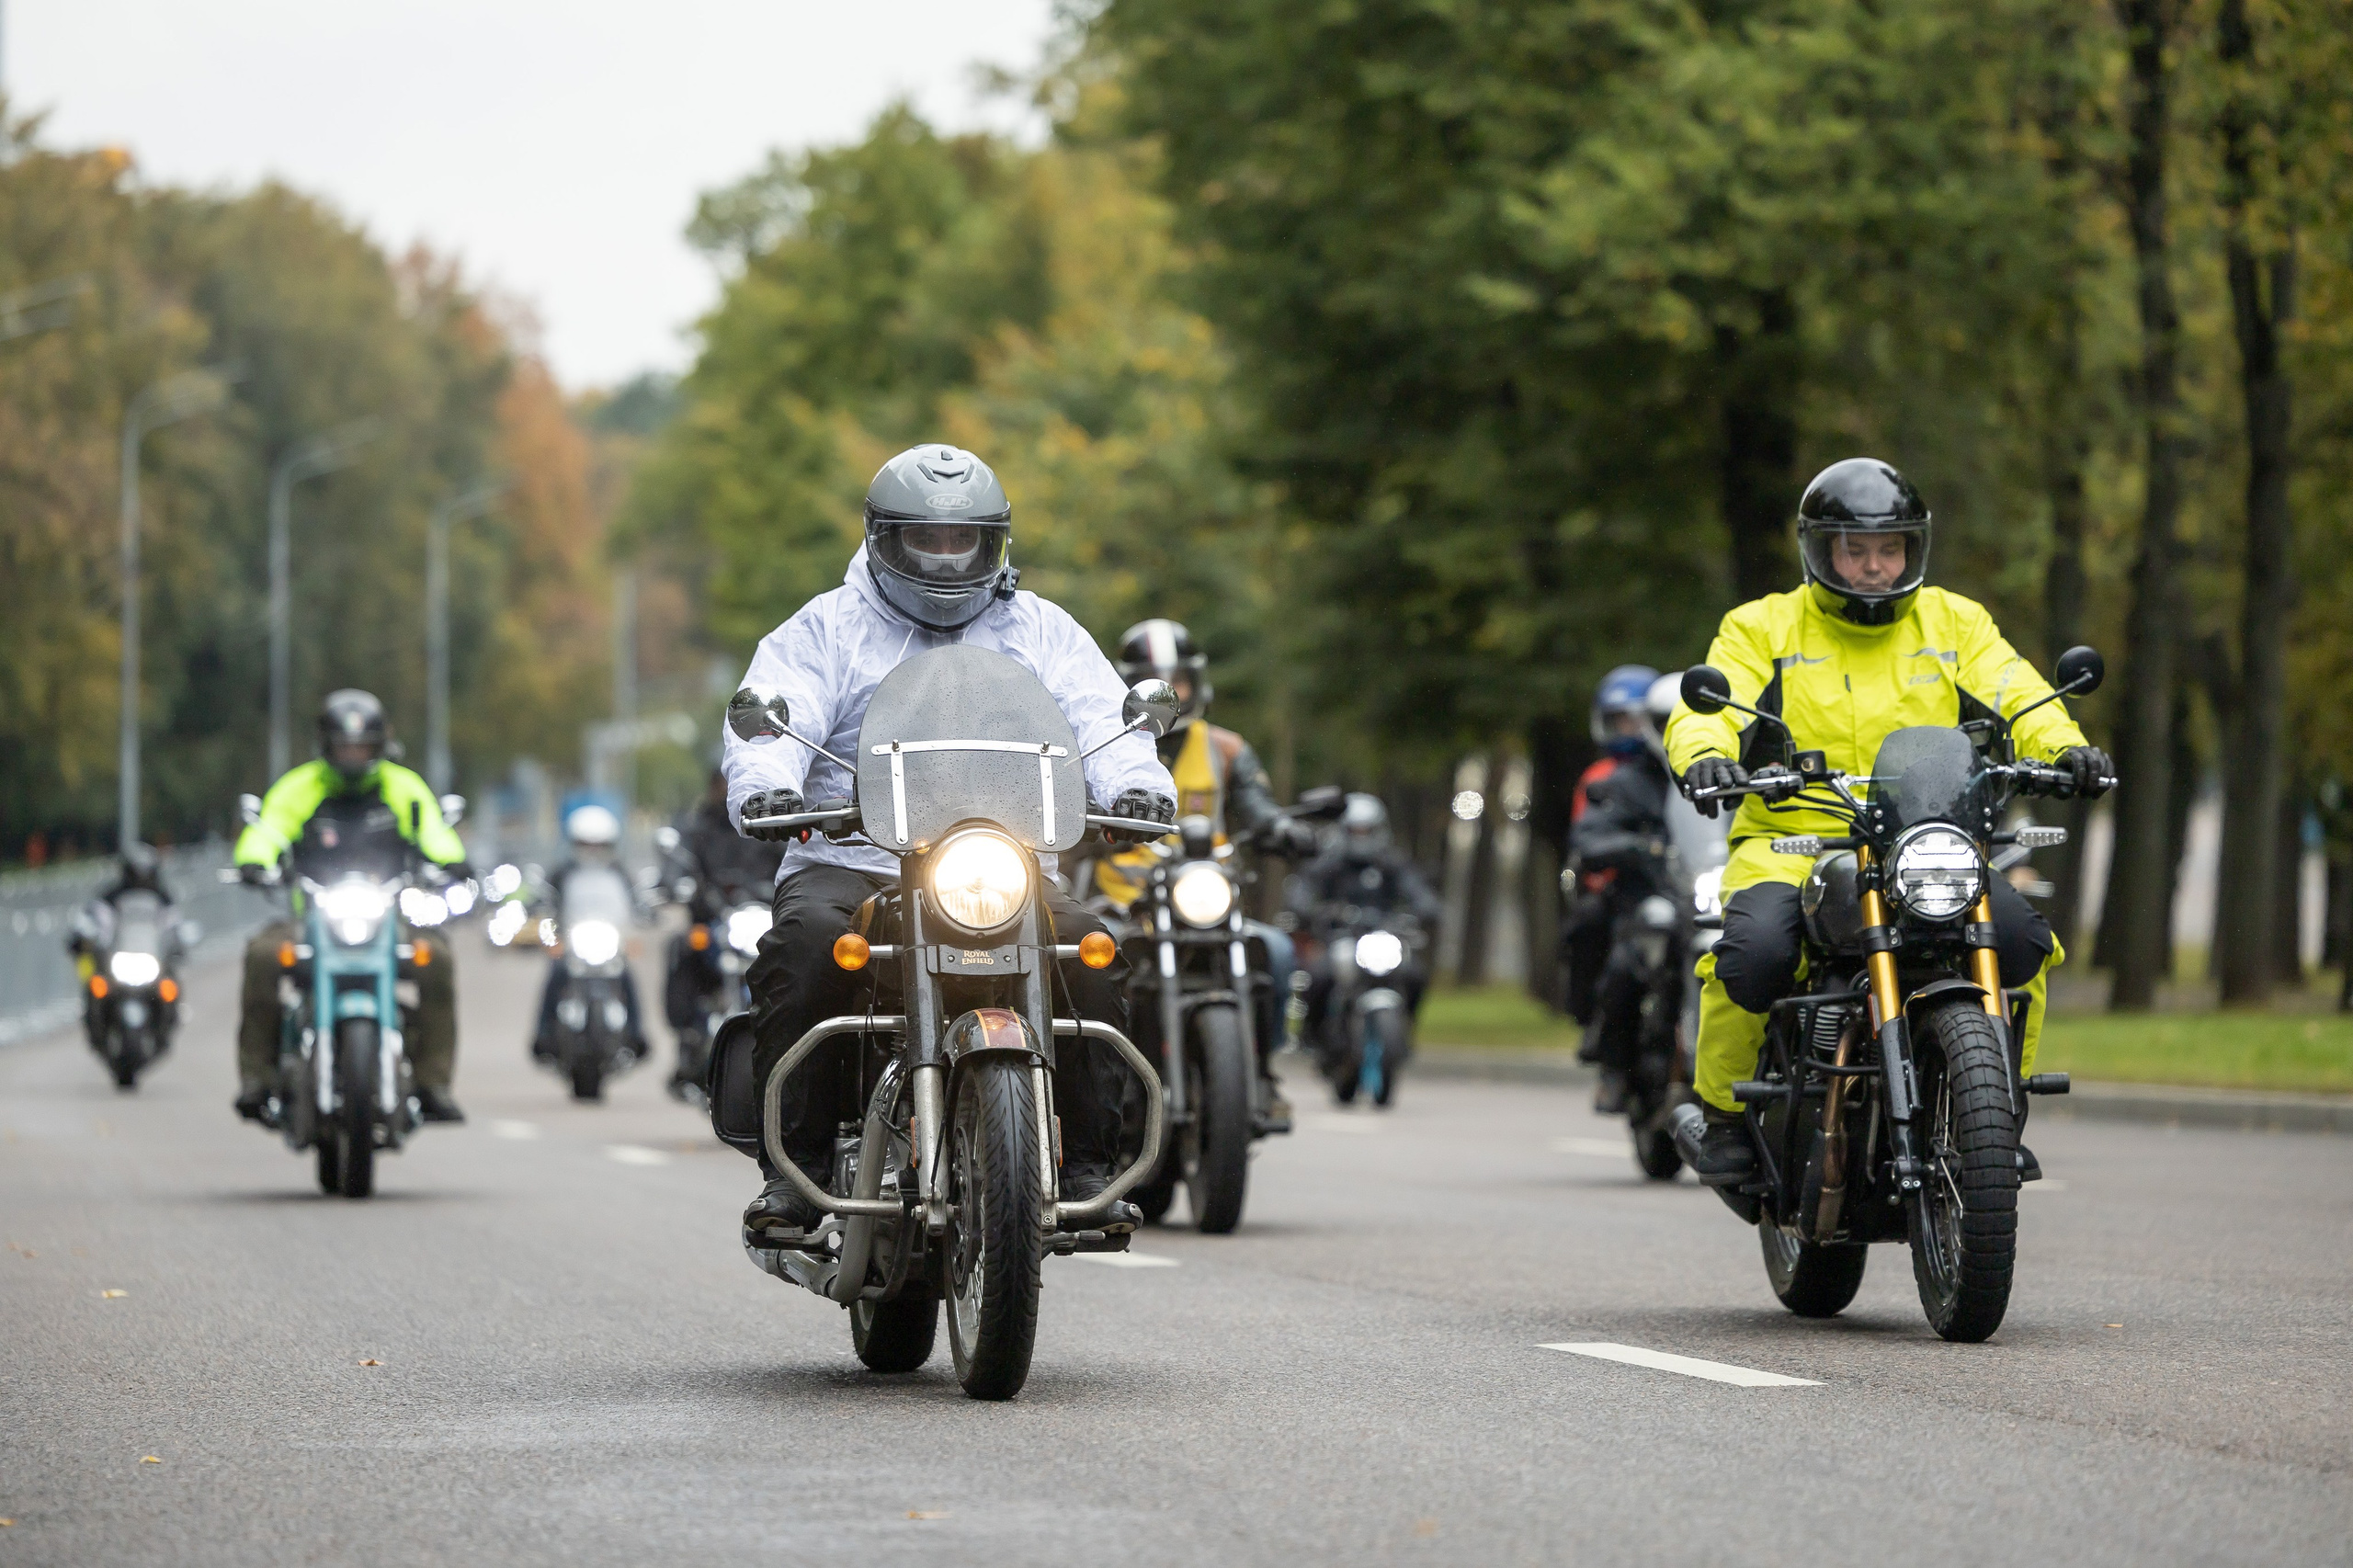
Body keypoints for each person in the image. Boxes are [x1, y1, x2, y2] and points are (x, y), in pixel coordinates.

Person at [726, 443, 1176, 1244]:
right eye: (924, 540)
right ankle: (791, 1177)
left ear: (993, 540)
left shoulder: (1042, 629)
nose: (943, 559)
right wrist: (769, 782)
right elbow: (779, 711)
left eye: (960, 540)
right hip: (853, 862)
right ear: (882, 539)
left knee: (1092, 951)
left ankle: (1089, 1169)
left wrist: (1135, 783)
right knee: (806, 946)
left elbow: (1107, 718)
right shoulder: (829, 626)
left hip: (1002, 867)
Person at [1662, 459, 2112, 1182]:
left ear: (1914, 549)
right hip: (1794, 843)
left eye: (1890, 548)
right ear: (1820, 550)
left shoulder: (1955, 621)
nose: (1874, 566)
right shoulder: (1762, 625)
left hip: (1927, 844)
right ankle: (1723, 1115)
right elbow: (1706, 709)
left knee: (2022, 942)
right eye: (1855, 549)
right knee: (1753, 953)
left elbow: (2018, 691)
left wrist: (2067, 748)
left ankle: (1996, 1112)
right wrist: (1707, 757)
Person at [1097, 618, 1316, 1096]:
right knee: (1084, 963)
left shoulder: (1226, 749)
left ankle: (1260, 1074)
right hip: (1120, 903)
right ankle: (1090, 1090)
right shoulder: (1102, 747)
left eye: (1178, 682)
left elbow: (1258, 808)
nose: (1168, 694)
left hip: (1203, 899)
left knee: (1276, 952)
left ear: (1196, 683)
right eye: (1151, 683)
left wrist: (1280, 827)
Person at [233, 690, 470, 1123]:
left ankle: (433, 1082)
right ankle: (258, 1079)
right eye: (344, 746)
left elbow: (433, 829)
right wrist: (254, 861)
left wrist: (450, 859)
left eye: (363, 746)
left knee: (437, 957)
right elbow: (268, 829)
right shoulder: (300, 788)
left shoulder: (403, 787)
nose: (353, 755)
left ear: (381, 746)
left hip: (386, 919)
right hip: (312, 919)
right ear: (325, 746)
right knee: (263, 955)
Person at [1561, 665, 1677, 1115]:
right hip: (1635, 894)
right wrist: (1634, 850)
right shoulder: (1613, 779)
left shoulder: (1718, 771)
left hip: (1694, 895)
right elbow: (1587, 836)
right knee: (1618, 960)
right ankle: (1608, 1050)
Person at [660, 768, 783, 1095]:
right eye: (726, 781)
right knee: (683, 947)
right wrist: (677, 884)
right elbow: (677, 865)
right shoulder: (697, 828)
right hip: (713, 921)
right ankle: (688, 1034)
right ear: (716, 785)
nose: (732, 788)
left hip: (760, 918)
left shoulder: (771, 825)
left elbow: (791, 863)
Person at [1287, 793, 1444, 1047]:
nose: (1361, 837)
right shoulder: (1330, 862)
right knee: (1320, 975)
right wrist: (1311, 910)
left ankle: (1405, 1028)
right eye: (1355, 831)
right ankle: (1312, 1035)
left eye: (1366, 830)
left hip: (1382, 937)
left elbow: (1416, 889)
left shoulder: (1390, 862)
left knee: (1414, 975)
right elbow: (1303, 888)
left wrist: (1426, 908)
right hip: (1340, 937)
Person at [529, 803, 648, 1064]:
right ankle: (543, 1035)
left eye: (600, 845)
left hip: (610, 939)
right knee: (556, 974)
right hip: (573, 941)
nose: (593, 851)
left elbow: (638, 900)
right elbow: (544, 896)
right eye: (586, 844)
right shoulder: (563, 873)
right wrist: (539, 906)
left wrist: (646, 910)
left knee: (627, 977)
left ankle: (638, 1034)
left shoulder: (620, 873)